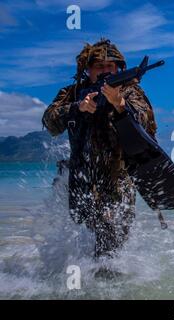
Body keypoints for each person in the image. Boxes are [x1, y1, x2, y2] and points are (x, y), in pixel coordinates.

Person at [42, 38, 157, 258]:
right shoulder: (73, 93)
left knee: (111, 242)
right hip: (80, 178)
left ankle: (108, 287)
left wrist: (120, 105)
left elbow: (147, 123)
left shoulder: (130, 92)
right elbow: (50, 122)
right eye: (99, 66)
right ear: (88, 70)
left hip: (117, 179)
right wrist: (78, 107)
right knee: (81, 239)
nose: (105, 71)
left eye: (110, 66)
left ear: (118, 68)